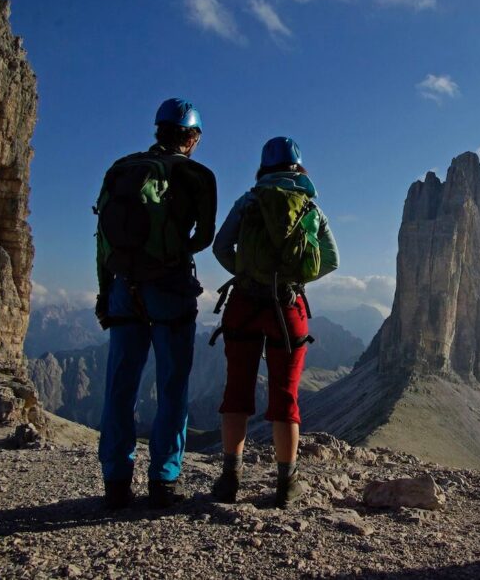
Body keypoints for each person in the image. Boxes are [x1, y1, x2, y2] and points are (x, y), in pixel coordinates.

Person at [94, 98, 217, 509]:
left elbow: (103, 239)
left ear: (158, 129)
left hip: (122, 288)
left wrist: (103, 291)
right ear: (193, 137)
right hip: (169, 289)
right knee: (172, 385)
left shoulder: (121, 168)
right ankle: (163, 480)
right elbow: (204, 237)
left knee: (120, 385)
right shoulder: (196, 174)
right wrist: (174, 249)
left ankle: (115, 481)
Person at [210, 136, 338, 507]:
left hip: (244, 304)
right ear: (299, 168)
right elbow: (332, 261)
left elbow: (220, 247)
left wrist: (247, 274)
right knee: (286, 395)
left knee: (237, 391)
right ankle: (287, 485)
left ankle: (230, 479)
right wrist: (294, 282)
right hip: (288, 310)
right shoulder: (311, 207)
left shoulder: (248, 201)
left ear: (264, 167)